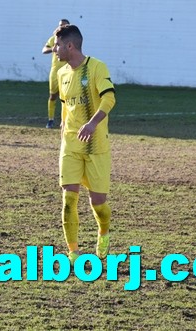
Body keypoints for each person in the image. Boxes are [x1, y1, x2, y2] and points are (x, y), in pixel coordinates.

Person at [54, 24, 116, 263]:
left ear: (70, 45)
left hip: (96, 145)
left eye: (58, 45)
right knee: (69, 199)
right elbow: (65, 108)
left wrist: (92, 124)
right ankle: (73, 253)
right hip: (70, 145)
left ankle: (103, 232)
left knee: (98, 203)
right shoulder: (62, 74)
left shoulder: (97, 67)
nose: (54, 49)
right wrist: (62, 133)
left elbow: (109, 97)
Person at [42, 19, 70, 129]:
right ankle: (50, 119)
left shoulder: (69, 41)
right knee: (53, 96)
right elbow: (44, 50)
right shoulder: (54, 39)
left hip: (68, 71)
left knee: (67, 96)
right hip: (55, 72)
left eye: (64, 25)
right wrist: (52, 49)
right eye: (60, 25)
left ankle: (66, 120)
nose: (61, 27)